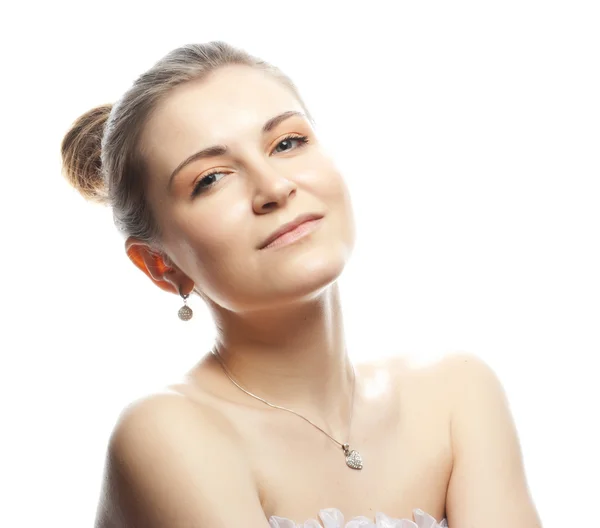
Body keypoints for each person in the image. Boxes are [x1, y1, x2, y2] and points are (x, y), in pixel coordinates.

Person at [61, 41, 542, 528]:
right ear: (160, 265)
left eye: (287, 143)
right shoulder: (166, 433)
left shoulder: (457, 395)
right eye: (211, 178)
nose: (273, 188)